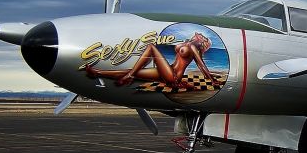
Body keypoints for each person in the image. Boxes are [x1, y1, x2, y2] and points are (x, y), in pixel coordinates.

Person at [85, 32, 222, 89]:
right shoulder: (187, 43)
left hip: (173, 76)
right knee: (134, 71)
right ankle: (97, 72)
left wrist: (212, 80)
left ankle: (129, 76)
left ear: (201, 41)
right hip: (168, 70)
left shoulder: (193, 47)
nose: (199, 34)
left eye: (202, 37)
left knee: (151, 48)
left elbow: (201, 65)